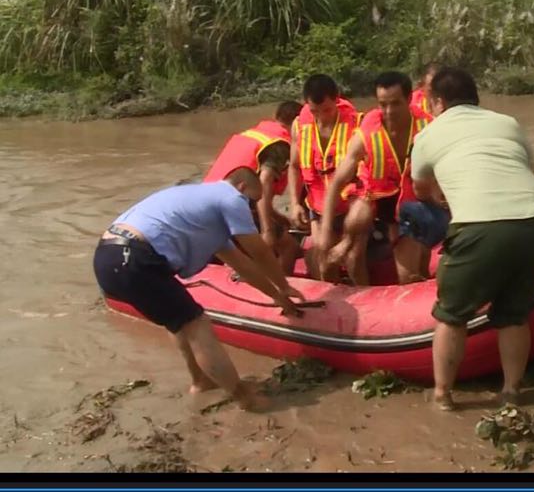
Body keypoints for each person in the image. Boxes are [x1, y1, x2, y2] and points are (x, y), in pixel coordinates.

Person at [93, 169, 304, 412]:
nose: (254, 209)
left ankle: (201, 381)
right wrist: (286, 285)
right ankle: (245, 399)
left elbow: (242, 264)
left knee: (179, 322)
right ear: (243, 187)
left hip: (109, 257)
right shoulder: (231, 197)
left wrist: (278, 297)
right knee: (197, 325)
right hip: (135, 258)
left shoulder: (201, 203)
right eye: (253, 201)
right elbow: (260, 251)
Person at [410, 67, 534, 410]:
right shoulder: (508, 122)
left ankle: (443, 395)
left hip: (480, 224)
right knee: (514, 314)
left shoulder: (429, 133)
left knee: (451, 315)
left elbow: (420, 186)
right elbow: (528, 172)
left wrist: (443, 200)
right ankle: (511, 392)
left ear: (438, 102)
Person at [319, 71, 434, 285]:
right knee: (354, 247)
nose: (388, 112)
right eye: (382, 104)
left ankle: (422, 274)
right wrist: (325, 231)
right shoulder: (366, 132)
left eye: (395, 104)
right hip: (374, 195)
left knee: (409, 276)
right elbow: (336, 183)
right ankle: (352, 258)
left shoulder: (429, 127)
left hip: (411, 200)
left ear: (409, 99)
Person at [204, 103, 302, 274]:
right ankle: (281, 292)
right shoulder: (279, 144)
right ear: (297, 124)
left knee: (232, 250)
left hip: (207, 202)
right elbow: (264, 184)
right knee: (289, 248)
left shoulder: (252, 134)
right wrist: (268, 230)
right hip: (234, 205)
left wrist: (275, 216)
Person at [288, 74, 361, 281]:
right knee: (324, 261)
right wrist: (294, 203)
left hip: (349, 205)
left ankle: (364, 294)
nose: (321, 116)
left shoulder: (356, 124)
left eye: (327, 109)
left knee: (354, 260)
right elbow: (294, 167)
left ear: (337, 99)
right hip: (317, 206)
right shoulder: (299, 126)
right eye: (314, 111)